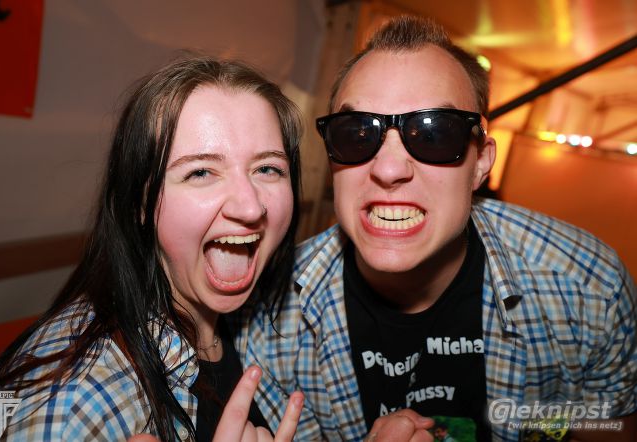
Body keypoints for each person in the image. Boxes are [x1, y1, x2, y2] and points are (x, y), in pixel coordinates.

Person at [232, 15, 637, 442]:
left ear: (481, 162)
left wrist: (546, 424)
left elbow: (608, 429)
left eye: (433, 134)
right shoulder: (268, 321)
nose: (389, 169)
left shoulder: (587, 290)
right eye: (357, 134)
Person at [0, 55, 304, 441]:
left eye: (267, 169)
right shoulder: (77, 405)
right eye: (200, 172)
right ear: (140, 203)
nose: (250, 207)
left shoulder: (254, 317)